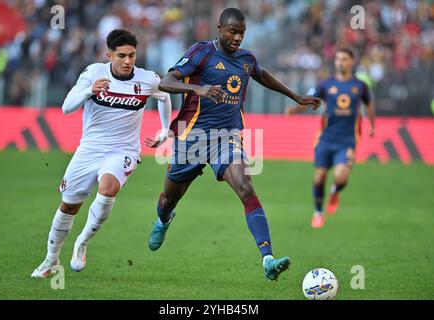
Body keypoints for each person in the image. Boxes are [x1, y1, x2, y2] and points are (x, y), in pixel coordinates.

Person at [146, 8, 320, 281]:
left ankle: (268, 259)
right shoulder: (201, 52)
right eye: (233, 31)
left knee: (245, 187)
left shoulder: (246, 59)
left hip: (227, 137)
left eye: (242, 32)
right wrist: (198, 89)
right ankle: (164, 220)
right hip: (191, 137)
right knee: (169, 198)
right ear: (219, 28)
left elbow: (261, 75)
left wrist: (295, 96)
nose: (238, 37)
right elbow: (167, 82)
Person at [31, 29, 171, 277]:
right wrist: (89, 91)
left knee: (108, 189)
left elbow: (164, 96)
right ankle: (50, 260)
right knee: (68, 207)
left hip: (123, 150)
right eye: (121, 56)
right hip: (89, 150)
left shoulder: (147, 79)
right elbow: (66, 108)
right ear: (109, 55)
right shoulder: (94, 73)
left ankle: (82, 243)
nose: (128, 61)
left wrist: (164, 129)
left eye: (132, 55)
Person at [285, 48, 375, 228]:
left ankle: (335, 190)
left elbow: (369, 103)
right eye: (337, 59)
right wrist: (295, 110)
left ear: (351, 62)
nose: (340, 62)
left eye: (344, 59)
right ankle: (318, 213)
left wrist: (372, 124)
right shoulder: (326, 84)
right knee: (319, 178)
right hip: (326, 138)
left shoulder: (360, 86)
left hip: (348, 139)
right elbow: (311, 99)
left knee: (340, 176)